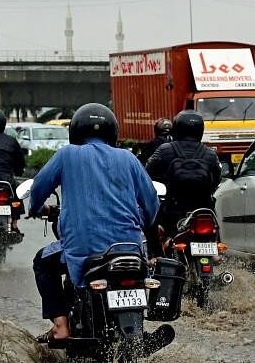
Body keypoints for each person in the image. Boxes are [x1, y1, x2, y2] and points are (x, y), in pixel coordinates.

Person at [28, 103, 159, 343]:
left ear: (76, 131)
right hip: (129, 248)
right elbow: (151, 202)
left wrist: (34, 208)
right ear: (113, 132)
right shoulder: (128, 158)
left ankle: (60, 327)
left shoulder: (67, 154)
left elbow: (38, 188)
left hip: (84, 249)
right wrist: (144, 221)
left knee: (42, 262)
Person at [144, 110, 220, 254]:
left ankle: (155, 257)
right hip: (202, 208)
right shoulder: (210, 154)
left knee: (150, 221)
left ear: (177, 128)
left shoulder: (164, 150)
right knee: (213, 217)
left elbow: (146, 173)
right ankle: (215, 247)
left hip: (173, 207)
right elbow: (216, 179)